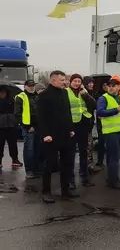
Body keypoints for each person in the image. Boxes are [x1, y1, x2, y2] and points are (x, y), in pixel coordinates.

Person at [37, 70, 78, 203]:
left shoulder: (65, 93)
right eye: (62, 80)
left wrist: (71, 128)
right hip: (51, 136)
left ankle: (65, 190)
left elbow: (68, 112)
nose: (65, 82)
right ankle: (46, 191)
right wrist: (45, 134)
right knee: (49, 164)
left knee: (66, 164)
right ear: (53, 80)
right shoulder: (44, 96)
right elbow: (40, 117)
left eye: (65, 80)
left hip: (65, 134)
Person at [96, 75, 120, 190]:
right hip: (111, 133)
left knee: (116, 157)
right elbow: (100, 112)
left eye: (113, 86)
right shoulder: (103, 98)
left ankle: (112, 178)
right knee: (114, 158)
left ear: (119, 86)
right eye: (109, 86)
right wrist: (116, 110)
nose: (111, 88)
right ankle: (114, 181)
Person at [66, 74, 96, 189]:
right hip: (72, 126)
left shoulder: (84, 93)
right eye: (75, 81)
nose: (77, 83)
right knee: (71, 154)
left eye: (79, 81)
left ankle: (85, 178)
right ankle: (71, 180)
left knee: (84, 152)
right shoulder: (66, 92)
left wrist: (85, 95)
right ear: (71, 82)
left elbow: (93, 105)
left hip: (83, 124)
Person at [14, 80, 40, 179]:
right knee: (29, 150)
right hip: (28, 128)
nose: (31, 87)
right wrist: (27, 127)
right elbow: (17, 114)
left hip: (38, 127)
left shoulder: (37, 96)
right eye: (29, 86)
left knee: (37, 149)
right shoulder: (21, 97)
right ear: (25, 87)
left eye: (33, 85)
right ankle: (29, 170)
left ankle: (36, 169)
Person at [0, 85, 22, 169]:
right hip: (1, 125)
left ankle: (15, 159)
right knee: (0, 144)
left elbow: (16, 110)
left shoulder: (12, 100)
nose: (2, 94)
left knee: (13, 143)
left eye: (4, 92)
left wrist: (15, 120)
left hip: (11, 124)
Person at [82, 76, 101, 173]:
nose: (91, 84)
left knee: (89, 145)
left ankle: (88, 165)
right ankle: (86, 166)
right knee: (86, 146)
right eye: (89, 83)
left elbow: (94, 105)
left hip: (88, 122)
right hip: (81, 122)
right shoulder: (82, 93)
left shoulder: (92, 94)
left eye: (92, 83)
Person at [95, 81, 108, 167]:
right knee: (101, 141)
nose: (106, 86)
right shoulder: (98, 95)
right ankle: (100, 160)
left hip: (110, 121)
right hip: (100, 121)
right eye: (104, 85)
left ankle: (109, 161)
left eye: (107, 85)